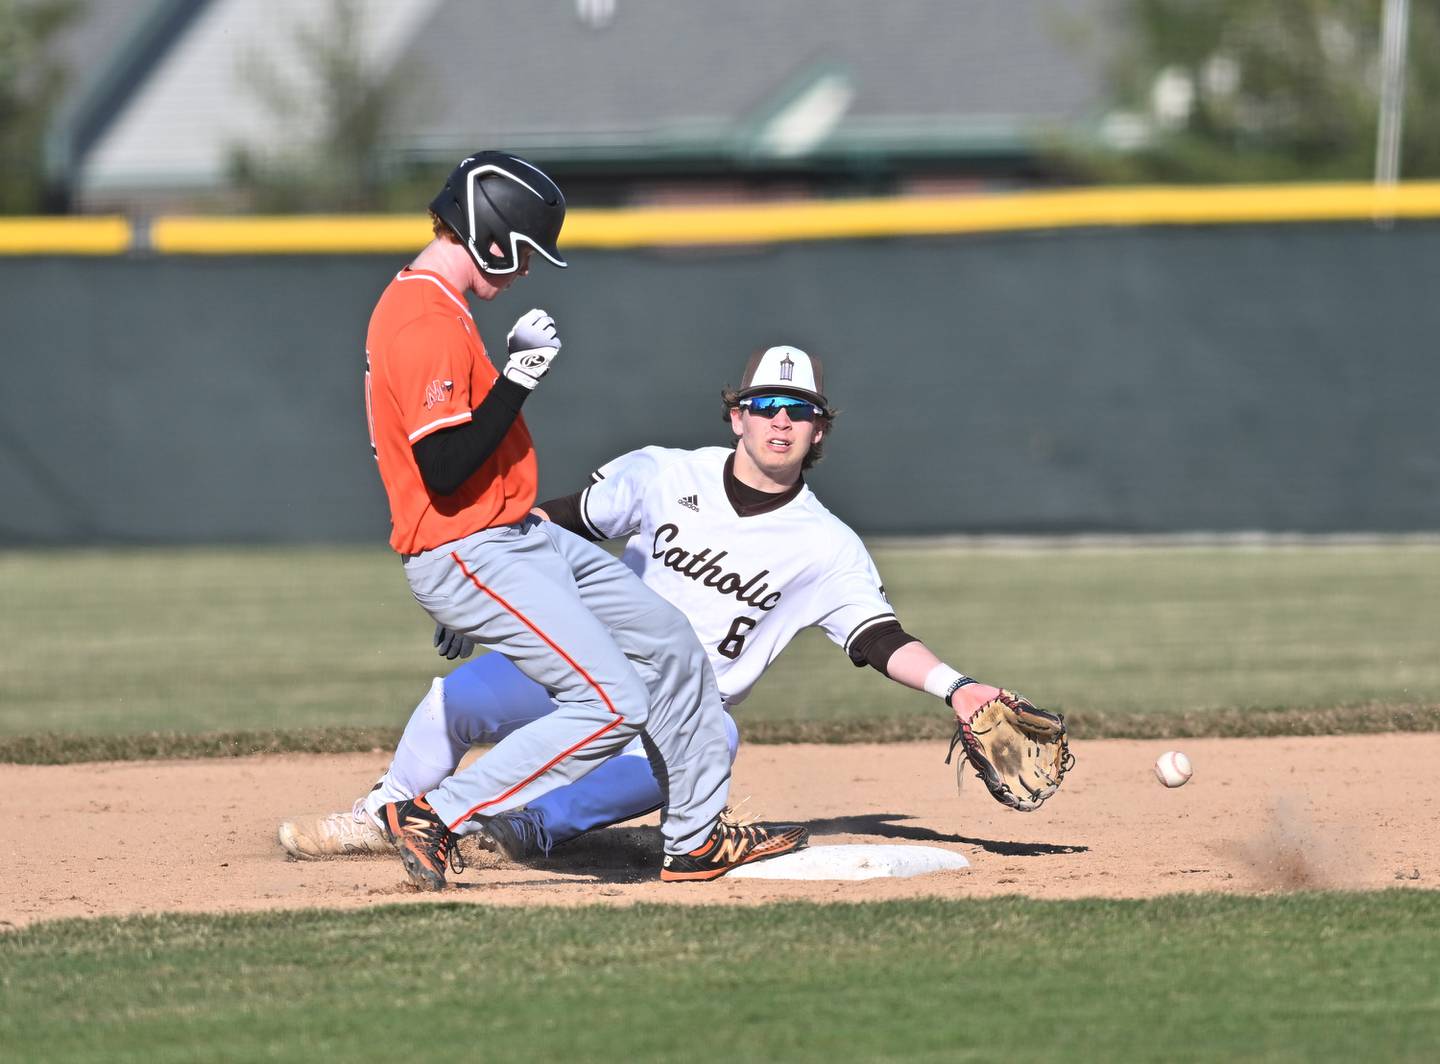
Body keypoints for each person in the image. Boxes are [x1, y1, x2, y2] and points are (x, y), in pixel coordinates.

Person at [283, 343, 1018, 864]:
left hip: (674, 716)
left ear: (820, 429)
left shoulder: (826, 545)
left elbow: (878, 637)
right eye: (765, 405)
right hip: (584, 664)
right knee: (457, 700)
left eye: (799, 410)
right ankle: (383, 813)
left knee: (714, 739)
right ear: (737, 416)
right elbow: (554, 521)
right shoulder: (664, 474)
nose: (780, 421)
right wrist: (478, 587)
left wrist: (958, 687)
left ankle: (518, 832)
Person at [348, 150, 806, 889]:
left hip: (521, 535)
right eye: (526, 250)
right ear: (492, 233)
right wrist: (517, 383)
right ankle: (437, 814)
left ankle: (692, 841)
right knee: (609, 703)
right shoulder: (421, 318)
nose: (526, 269)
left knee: (670, 645)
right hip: (467, 546)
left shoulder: (442, 306)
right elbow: (442, 470)